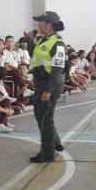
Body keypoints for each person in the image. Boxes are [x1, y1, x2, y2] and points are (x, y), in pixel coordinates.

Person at [28, 11, 67, 163]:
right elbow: (35, 57)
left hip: (49, 85)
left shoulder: (58, 43)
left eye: (41, 22)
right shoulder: (43, 40)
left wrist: (47, 91)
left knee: (45, 120)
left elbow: (57, 69)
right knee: (43, 118)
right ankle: (54, 144)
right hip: (40, 84)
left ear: (49, 25)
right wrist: (30, 41)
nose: (38, 24)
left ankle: (47, 154)